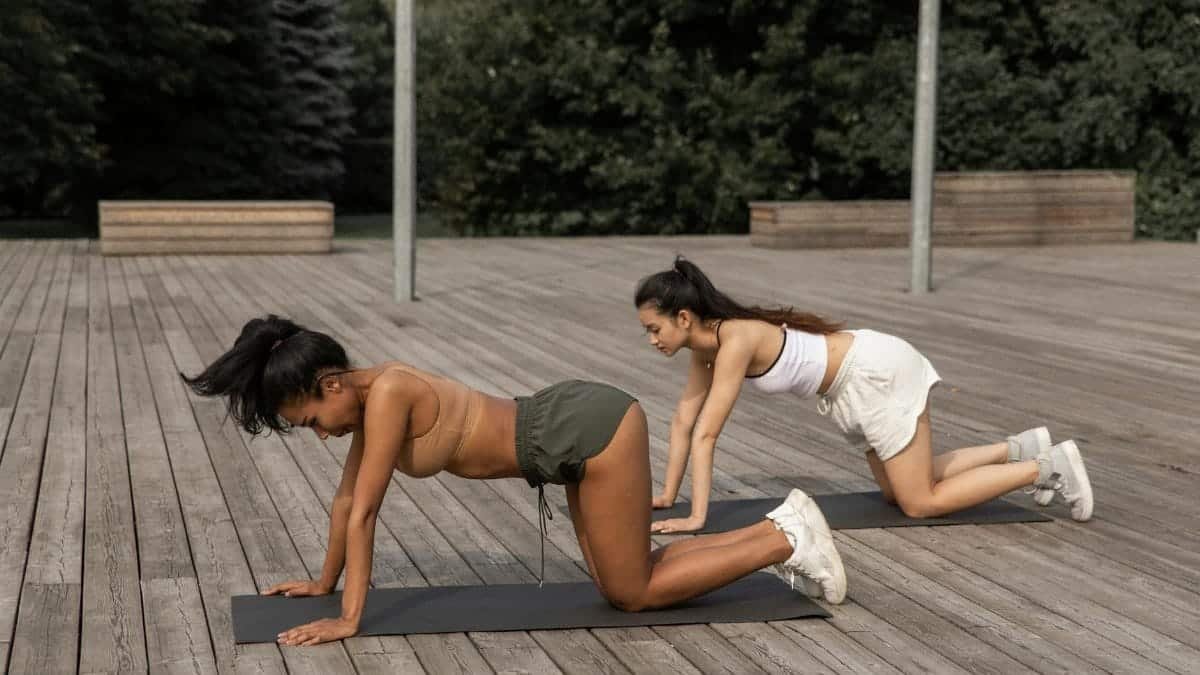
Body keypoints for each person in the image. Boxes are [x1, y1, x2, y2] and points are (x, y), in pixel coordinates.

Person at [183, 315, 848, 647]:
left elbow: (365, 513)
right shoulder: (367, 399)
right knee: (626, 576)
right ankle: (781, 526)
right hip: (561, 437)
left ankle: (784, 538)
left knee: (630, 591)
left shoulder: (385, 394)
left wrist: (347, 619)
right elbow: (346, 499)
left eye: (312, 420)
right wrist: (323, 583)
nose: (321, 434)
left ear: (330, 383)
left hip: (587, 427)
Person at [633, 256, 1093, 534]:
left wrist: (697, 518)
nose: (651, 341)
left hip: (875, 373)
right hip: (851, 389)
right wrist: (667, 495)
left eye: (655, 329)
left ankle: (1047, 467)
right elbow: (683, 421)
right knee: (899, 492)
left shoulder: (735, 341)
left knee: (920, 502)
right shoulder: (705, 349)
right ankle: (1020, 448)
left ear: (685, 317)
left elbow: (707, 434)